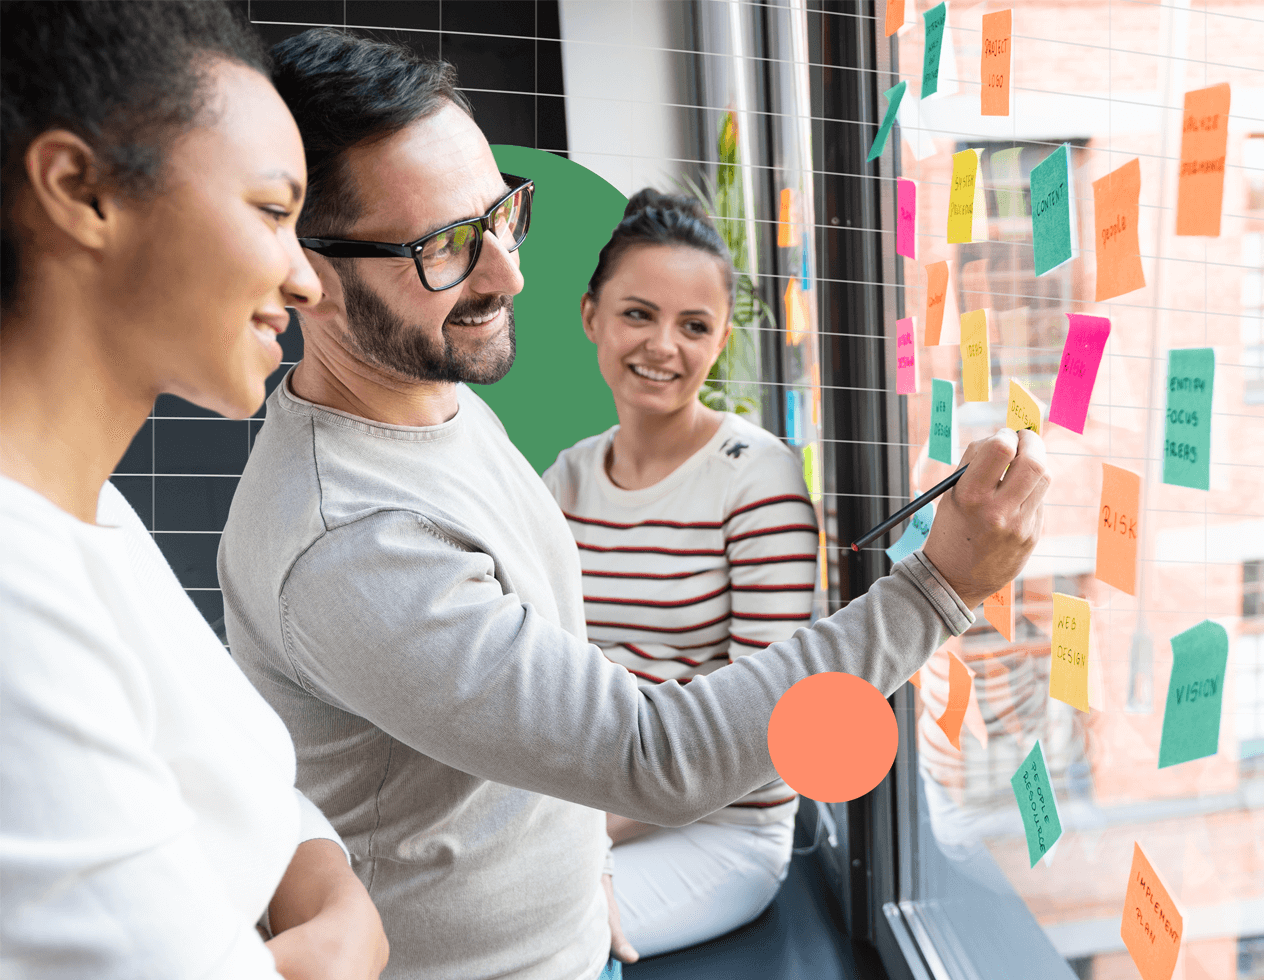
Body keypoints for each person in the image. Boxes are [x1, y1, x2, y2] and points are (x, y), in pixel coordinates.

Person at [217, 27, 1050, 980]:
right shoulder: (356, 540)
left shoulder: (435, 403)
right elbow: (651, 751)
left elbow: (583, 711)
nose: (507, 272)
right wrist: (940, 589)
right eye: (446, 248)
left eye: (500, 215)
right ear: (305, 274)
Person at [0, 4, 388, 978]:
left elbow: (242, 788)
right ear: (80, 190)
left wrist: (324, 877)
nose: (306, 280)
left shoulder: (91, 512)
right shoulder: (14, 583)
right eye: (271, 210)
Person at [540, 189, 818, 957]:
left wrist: (573, 837)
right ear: (591, 315)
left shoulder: (757, 479)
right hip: (580, 805)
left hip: (717, 828)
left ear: (721, 339)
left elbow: (761, 726)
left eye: (694, 326)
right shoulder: (566, 478)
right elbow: (525, 669)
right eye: (638, 314)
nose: (663, 345)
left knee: (528, 942)